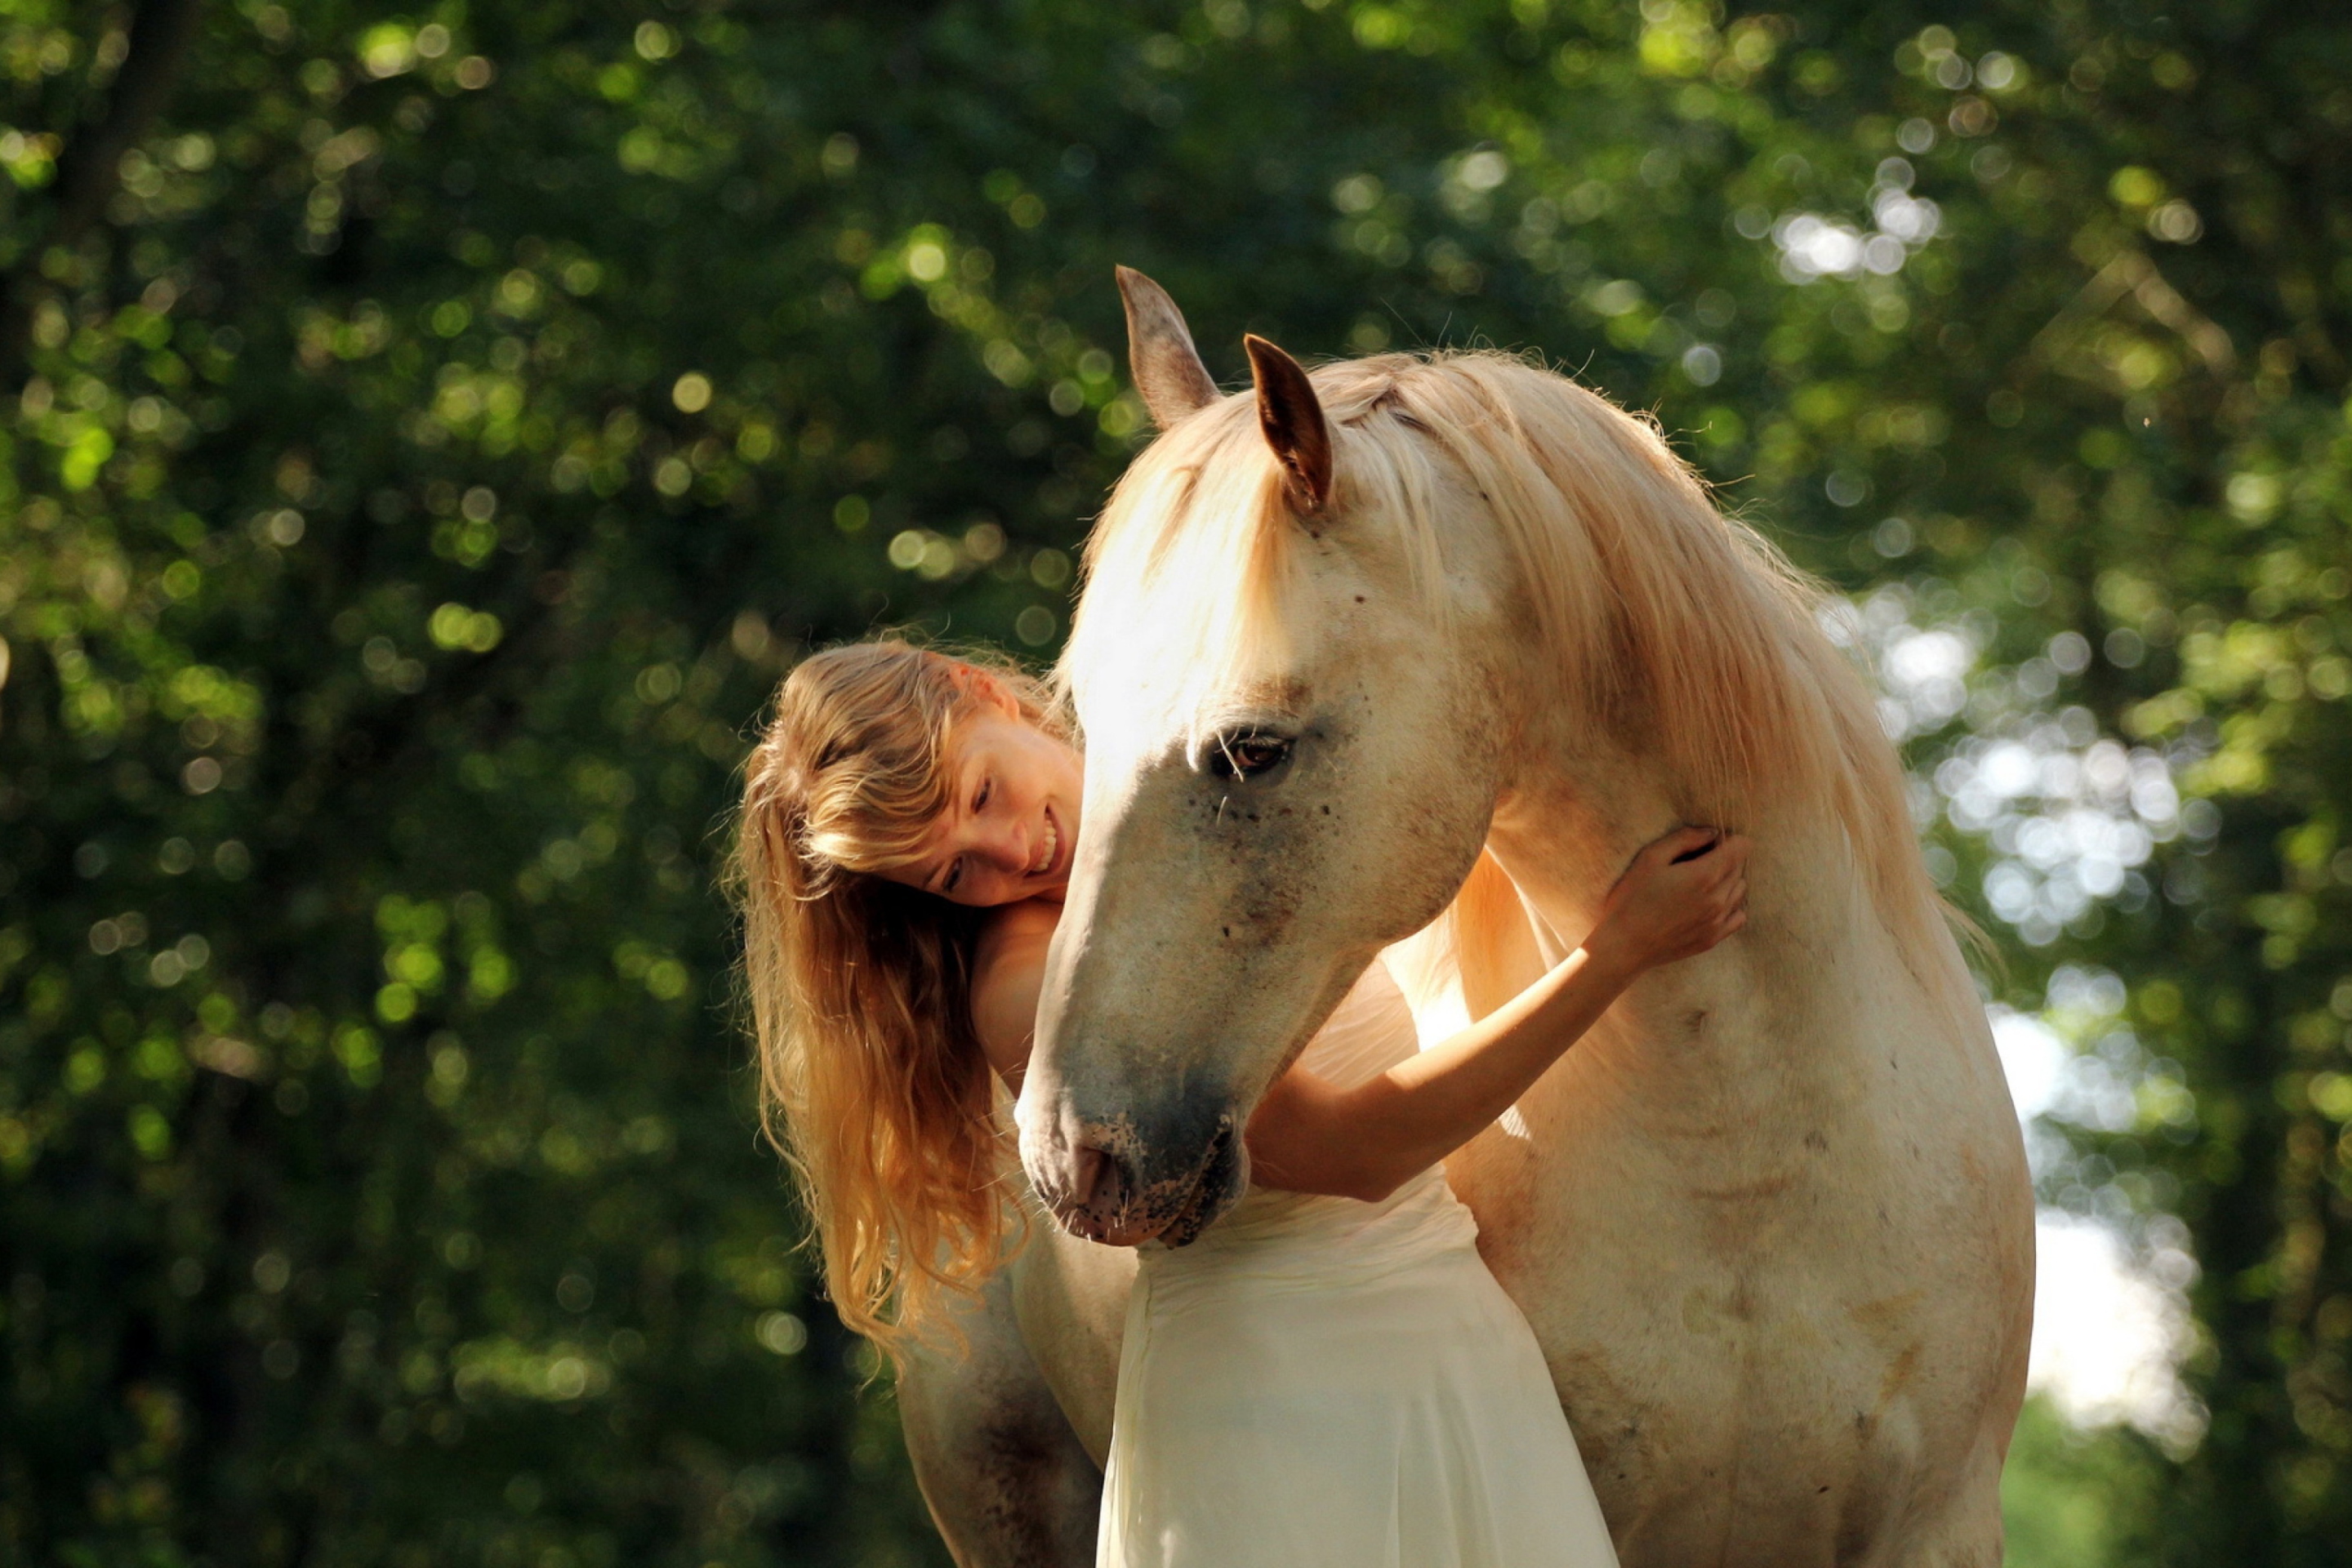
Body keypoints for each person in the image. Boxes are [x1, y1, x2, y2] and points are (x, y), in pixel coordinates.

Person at [733, 638, 1748, 1568]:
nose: (1011, 853)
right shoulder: (1034, 976)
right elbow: (1350, 1155)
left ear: (982, 691)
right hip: (1283, 1392)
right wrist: (1616, 953)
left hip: (1445, 1334)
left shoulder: (1231, 796)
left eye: (983, 792)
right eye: (956, 871)